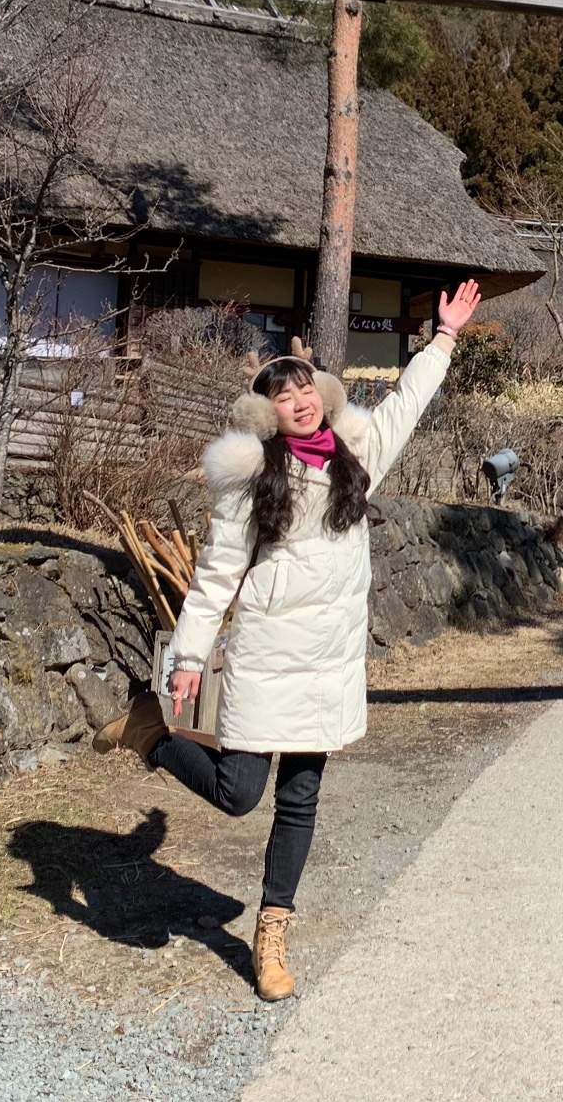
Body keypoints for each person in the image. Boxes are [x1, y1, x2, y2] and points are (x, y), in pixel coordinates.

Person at [93, 280, 483, 1001]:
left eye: (306, 388)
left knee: (301, 799)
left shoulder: (356, 452)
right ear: (266, 413)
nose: (300, 401)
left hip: (331, 656)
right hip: (270, 651)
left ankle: (272, 935)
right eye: (284, 395)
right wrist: (187, 659)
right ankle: (152, 733)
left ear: (322, 394)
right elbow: (216, 576)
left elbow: (406, 403)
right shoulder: (250, 479)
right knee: (240, 793)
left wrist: (444, 338)